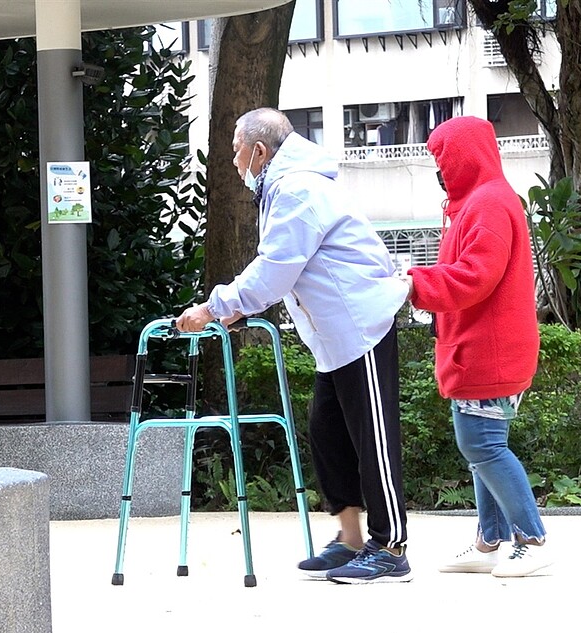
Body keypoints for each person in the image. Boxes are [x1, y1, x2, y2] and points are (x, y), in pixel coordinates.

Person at [175, 108, 413, 584]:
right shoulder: (284, 187)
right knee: (327, 430)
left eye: (237, 150)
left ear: (260, 151)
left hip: (359, 323)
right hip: (335, 334)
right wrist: (240, 306)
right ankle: (350, 538)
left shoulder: (298, 188)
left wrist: (216, 306)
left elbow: (277, 265)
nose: (234, 161)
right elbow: (284, 268)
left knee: (373, 440)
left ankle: (391, 548)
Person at [404, 115, 551, 578]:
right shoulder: (476, 203)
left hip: (489, 350)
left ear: (464, 159)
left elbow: (475, 277)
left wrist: (411, 284)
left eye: (443, 161)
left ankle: (533, 538)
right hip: (483, 349)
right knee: (482, 449)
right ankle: (491, 540)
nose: (440, 172)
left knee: (483, 447)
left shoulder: (487, 203)